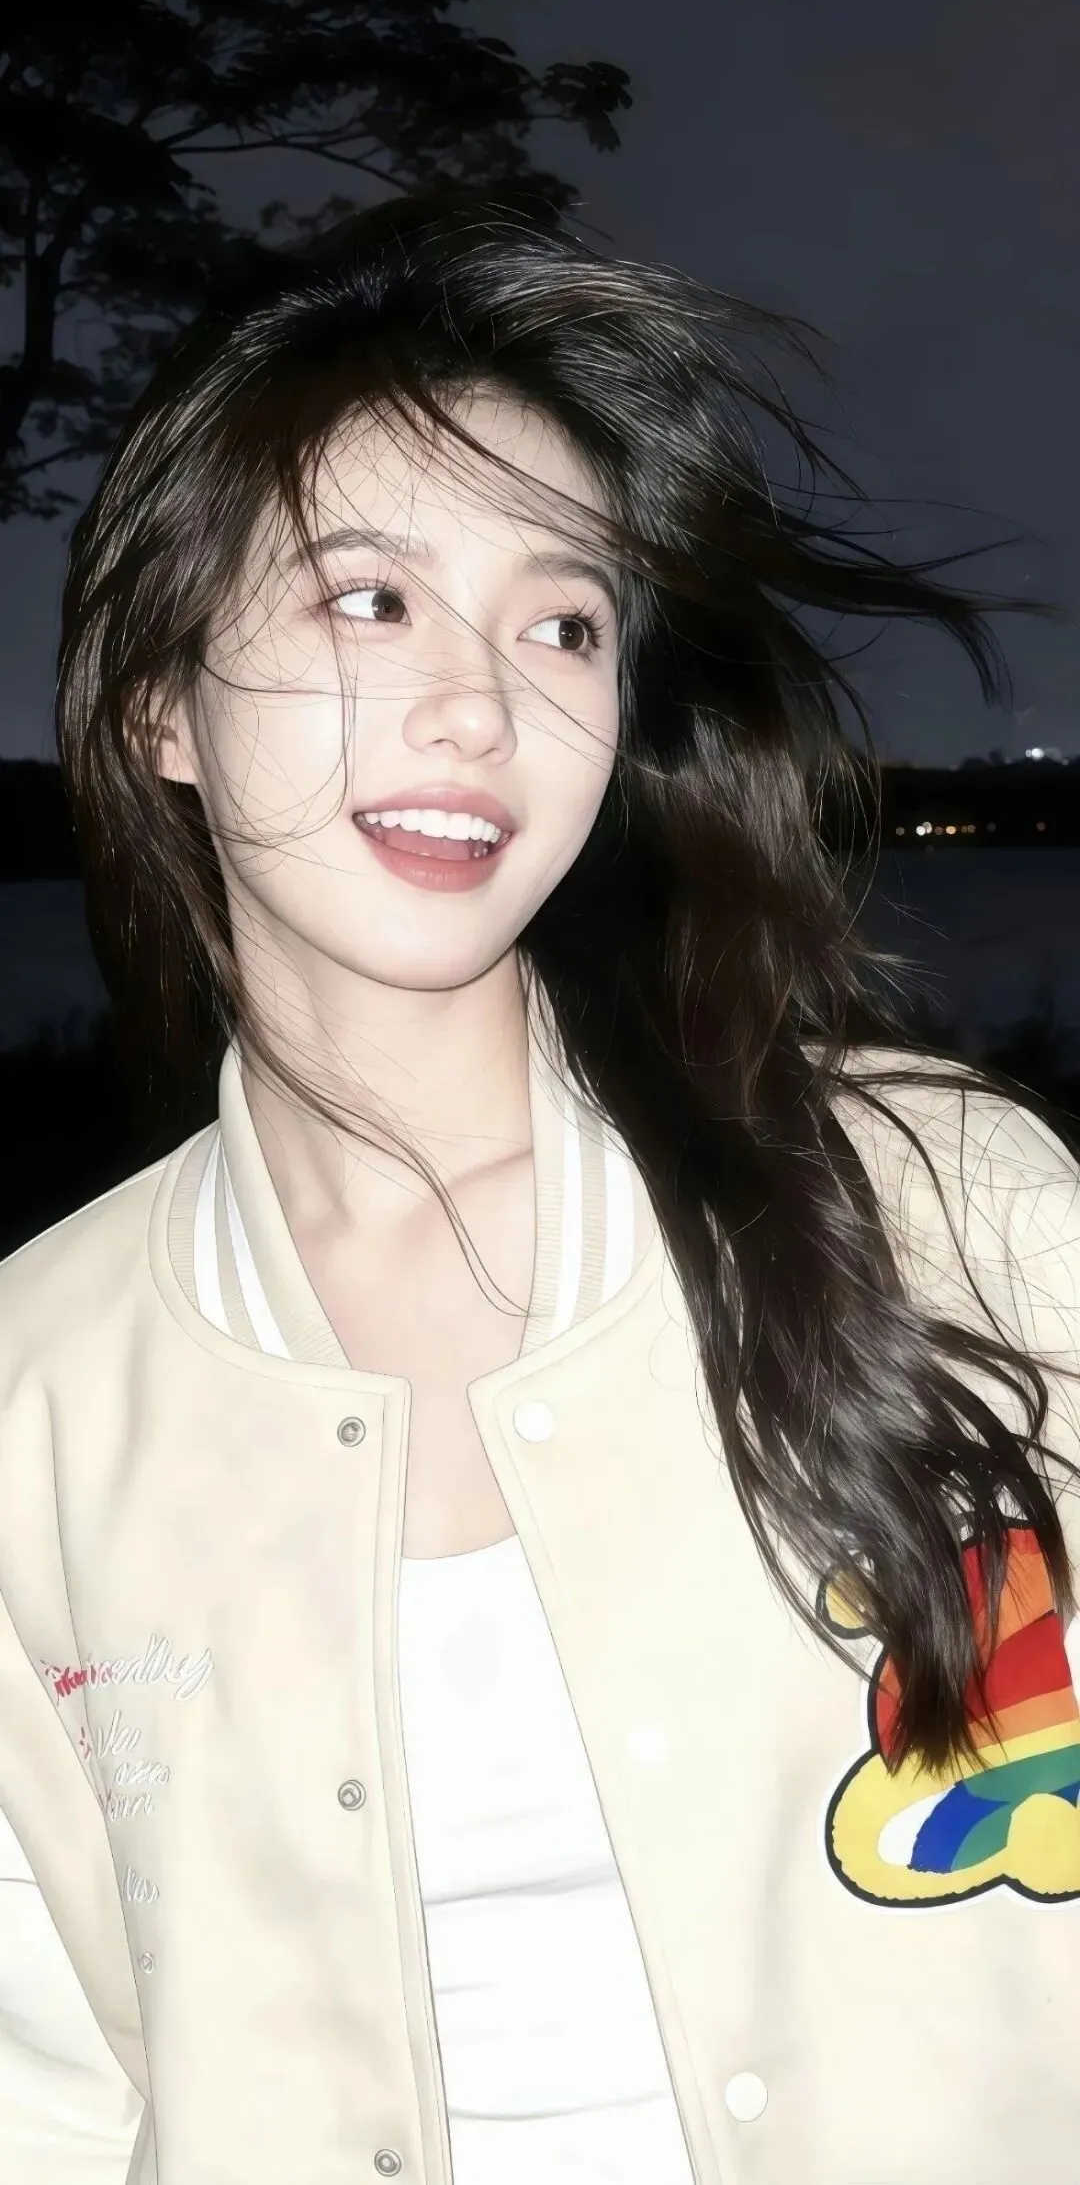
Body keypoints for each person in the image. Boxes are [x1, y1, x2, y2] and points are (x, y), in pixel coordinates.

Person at [0, 185, 1077, 2185]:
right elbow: (43, 2092)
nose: (481, 707)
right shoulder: (33, 1394)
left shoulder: (957, 1213)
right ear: (159, 703)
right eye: (368, 599)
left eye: (562, 622)